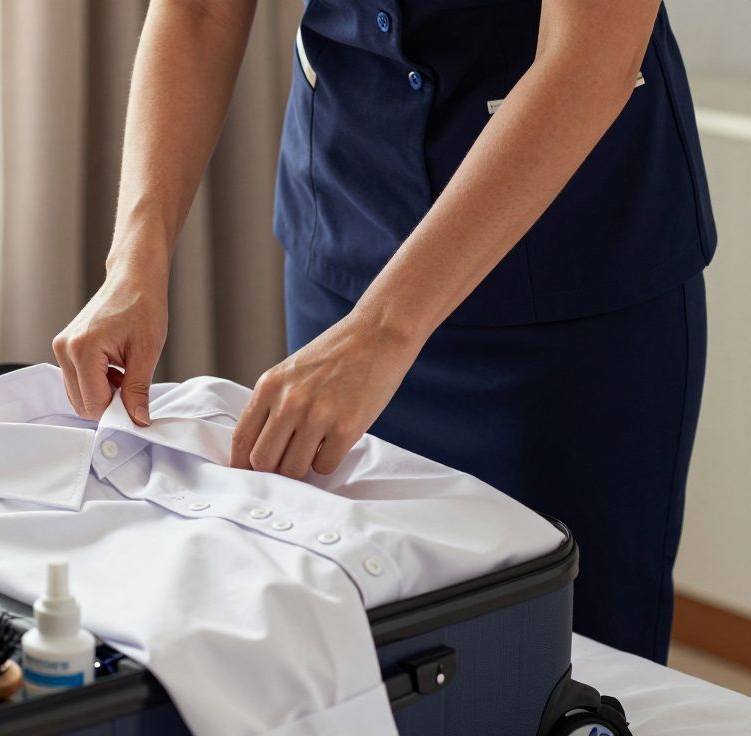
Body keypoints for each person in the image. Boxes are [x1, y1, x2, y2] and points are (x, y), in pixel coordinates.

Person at [51, 0, 713, 665]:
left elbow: (590, 58)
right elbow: (201, 12)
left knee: (559, 662)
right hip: (343, 233)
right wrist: (134, 261)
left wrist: (380, 333)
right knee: (363, 654)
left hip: (568, 292)